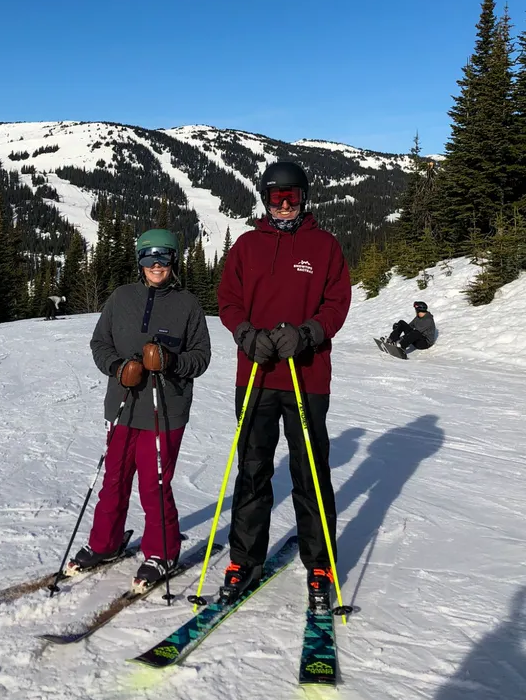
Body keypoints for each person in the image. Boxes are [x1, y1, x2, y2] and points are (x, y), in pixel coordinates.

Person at [217, 161, 352, 610]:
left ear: (305, 198)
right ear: (264, 199)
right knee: (253, 471)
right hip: (256, 375)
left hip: (306, 377)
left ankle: (320, 564)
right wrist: (246, 336)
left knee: (309, 472)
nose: (285, 205)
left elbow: (337, 303)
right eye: (277, 197)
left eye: (292, 197)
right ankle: (244, 560)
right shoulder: (248, 246)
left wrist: (308, 333)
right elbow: (228, 301)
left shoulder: (324, 246)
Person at [67, 229, 211, 589]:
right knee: (113, 479)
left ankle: (162, 551)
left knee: (154, 484)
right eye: (149, 258)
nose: (156, 265)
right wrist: (118, 368)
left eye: (163, 257)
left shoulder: (188, 304)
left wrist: (169, 360)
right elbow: (99, 343)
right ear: (139, 262)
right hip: (123, 405)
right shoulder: (121, 298)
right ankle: (105, 543)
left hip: (165, 410)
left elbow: (201, 357)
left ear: (173, 261)